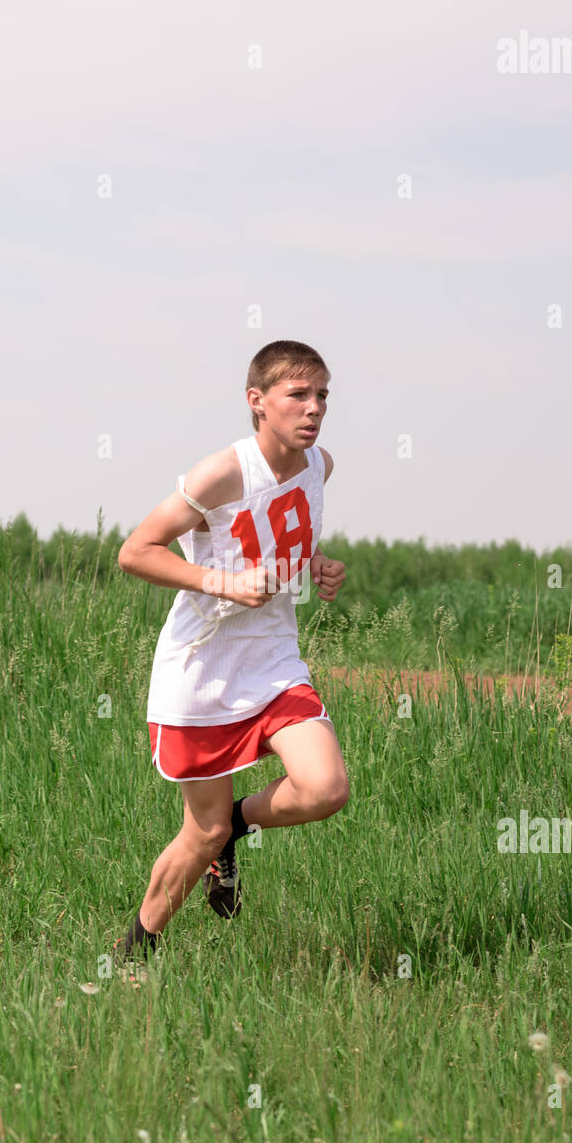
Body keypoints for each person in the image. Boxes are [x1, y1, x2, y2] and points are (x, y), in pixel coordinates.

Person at [114, 339, 348, 980]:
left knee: (326, 788)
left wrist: (315, 567)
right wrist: (222, 583)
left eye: (322, 395)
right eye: (298, 394)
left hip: (274, 661)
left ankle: (237, 832)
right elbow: (136, 551)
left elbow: (278, 548)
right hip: (201, 671)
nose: (314, 408)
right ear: (257, 401)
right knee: (200, 832)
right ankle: (136, 953)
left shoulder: (318, 466)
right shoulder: (221, 473)